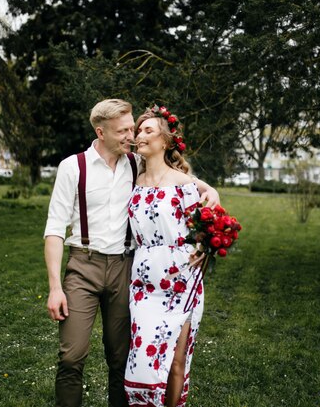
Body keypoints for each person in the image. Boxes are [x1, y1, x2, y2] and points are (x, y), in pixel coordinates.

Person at [44, 99, 219, 407]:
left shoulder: (136, 163)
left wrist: (212, 191)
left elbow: (183, 180)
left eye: (133, 128)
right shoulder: (72, 167)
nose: (132, 136)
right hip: (83, 266)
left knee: (120, 357)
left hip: (126, 267)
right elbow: (55, 229)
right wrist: (55, 287)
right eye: (124, 130)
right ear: (101, 132)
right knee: (71, 356)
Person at [124, 105, 207, 407]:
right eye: (138, 130)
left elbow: (206, 231)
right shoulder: (133, 181)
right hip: (144, 282)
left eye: (148, 130)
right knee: (143, 358)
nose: (139, 136)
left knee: (176, 359)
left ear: (167, 140)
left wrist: (202, 249)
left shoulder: (185, 185)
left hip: (180, 280)